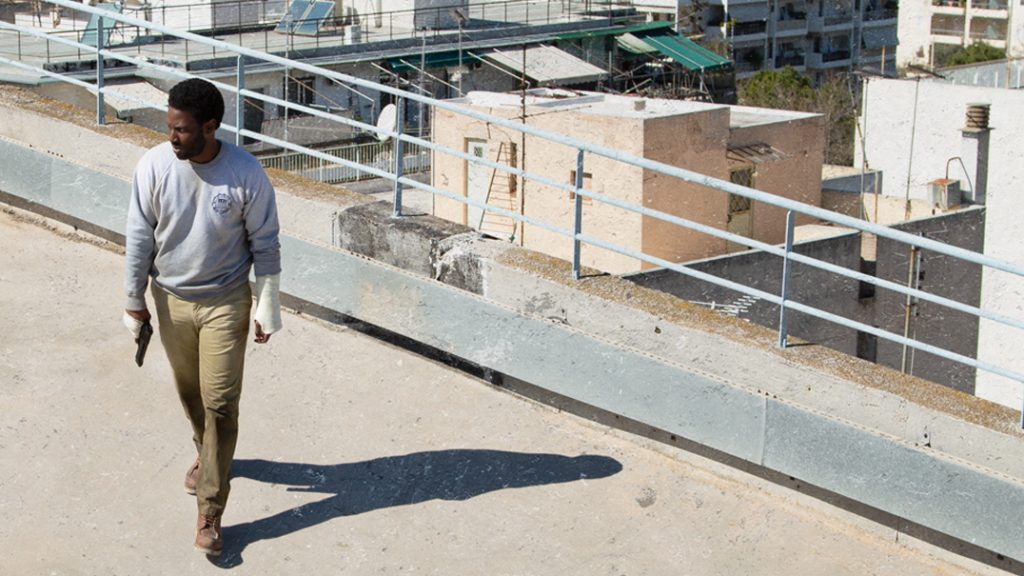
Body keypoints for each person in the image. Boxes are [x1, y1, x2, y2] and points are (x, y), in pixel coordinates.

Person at [122, 78, 282, 556]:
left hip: (226, 301)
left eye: (182, 130)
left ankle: (210, 509)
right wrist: (133, 298)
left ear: (211, 127)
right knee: (191, 395)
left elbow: (266, 245)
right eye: (170, 127)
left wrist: (266, 303)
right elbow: (138, 237)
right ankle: (207, 454)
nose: (172, 136)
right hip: (170, 299)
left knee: (220, 403)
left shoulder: (245, 173)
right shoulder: (153, 166)